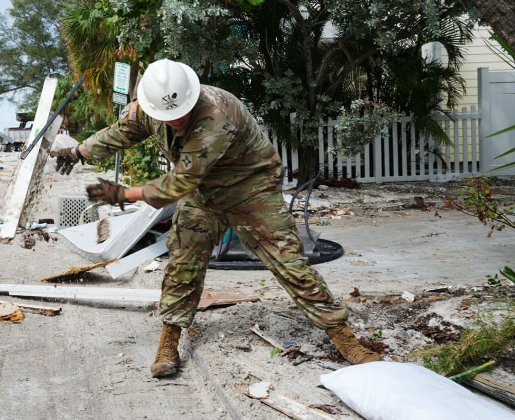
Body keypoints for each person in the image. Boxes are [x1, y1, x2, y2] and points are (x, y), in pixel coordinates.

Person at [54, 59, 380, 378]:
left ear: (192, 97)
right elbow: (123, 131)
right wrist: (79, 151)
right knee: (182, 264)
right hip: (202, 194)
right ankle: (169, 339)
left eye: (182, 113)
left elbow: (180, 183)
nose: (177, 119)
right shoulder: (149, 109)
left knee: (289, 263)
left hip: (250, 189)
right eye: (169, 115)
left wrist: (125, 194)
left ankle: (344, 339)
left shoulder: (215, 116)